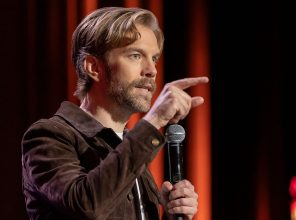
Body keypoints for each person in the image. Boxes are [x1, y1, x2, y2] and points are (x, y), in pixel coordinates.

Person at [21, 6, 208, 220]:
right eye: (136, 55)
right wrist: (154, 120)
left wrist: (170, 214)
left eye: (154, 58)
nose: (152, 70)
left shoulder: (128, 145)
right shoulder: (49, 136)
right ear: (94, 67)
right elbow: (85, 205)